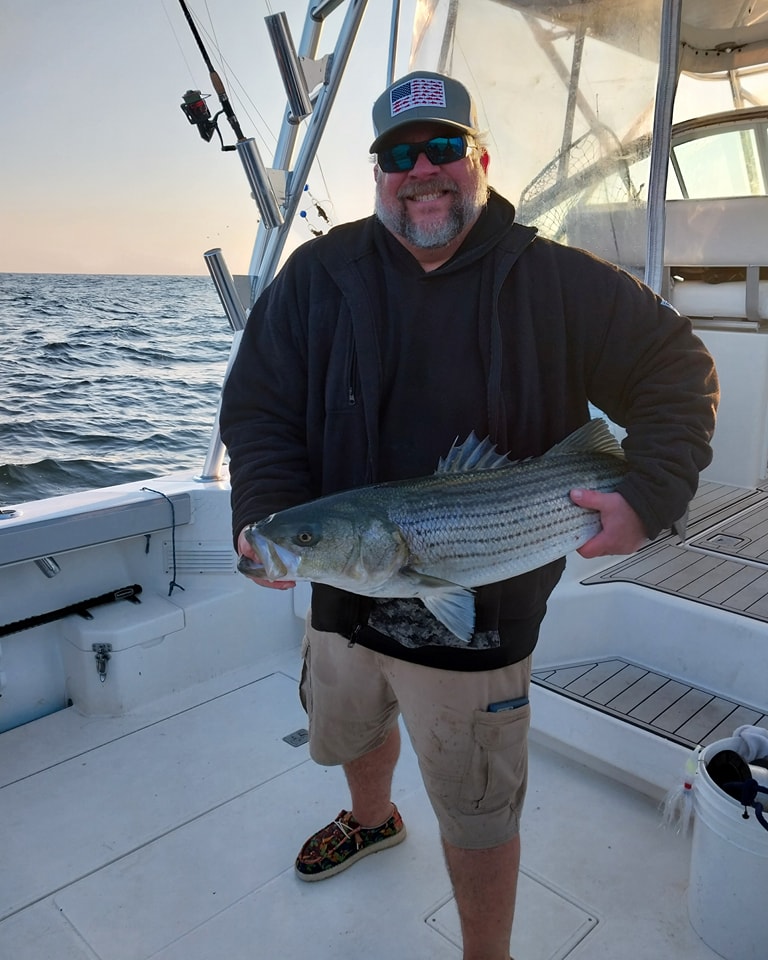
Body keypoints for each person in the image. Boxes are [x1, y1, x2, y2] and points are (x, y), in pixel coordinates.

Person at [219, 70, 718, 960]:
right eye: (398, 156)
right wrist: (267, 518)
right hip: (343, 593)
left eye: (443, 148)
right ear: (378, 174)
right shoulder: (318, 277)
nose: (422, 171)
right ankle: (371, 820)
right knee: (353, 728)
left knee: (477, 808)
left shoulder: (556, 282)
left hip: (481, 615)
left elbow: (678, 369)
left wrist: (647, 497)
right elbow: (258, 406)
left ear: (479, 158)